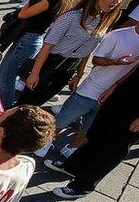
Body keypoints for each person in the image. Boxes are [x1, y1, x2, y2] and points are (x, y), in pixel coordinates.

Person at [18, 0, 126, 106]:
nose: (117, 1)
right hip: (50, 63)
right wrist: (34, 74)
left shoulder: (103, 21)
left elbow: (87, 50)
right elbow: (47, 46)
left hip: (69, 68)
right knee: (25, 104)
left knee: (38, 104)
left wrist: (79, 75)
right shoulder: (71, 17)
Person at [40, 23, 139, 159]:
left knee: (87, 128)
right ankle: (44, 143)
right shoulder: (117, 35)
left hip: (112, 97)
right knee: (62, 120)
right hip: (90, 90)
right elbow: (96, 59)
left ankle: (71, 149)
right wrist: (117, 62)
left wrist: (114, 87)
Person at [46, 65, 139, 199]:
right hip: (123, 95)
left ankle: (83, 186)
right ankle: (73, 167)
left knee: (113, 148)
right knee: (97, 134)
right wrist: (115, 86)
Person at [0, 0, 78, 107]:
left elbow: (23, 14)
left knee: (5, 77)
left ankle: (3, 111)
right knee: (4, 74)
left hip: (27, 40)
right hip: (30, 39)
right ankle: (1, 108)